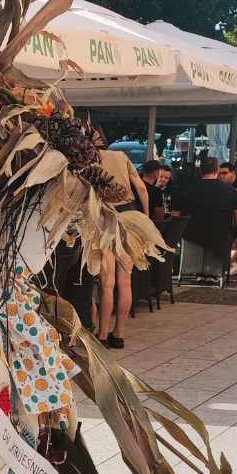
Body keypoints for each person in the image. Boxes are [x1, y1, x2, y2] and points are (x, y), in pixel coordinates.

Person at [89, 127, 150, 350]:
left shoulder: (88, 160)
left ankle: (102, 334)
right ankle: (119, 334)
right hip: (130, 216)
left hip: (104, 218)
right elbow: (141, 188)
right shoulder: (121, 156)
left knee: (107, 283)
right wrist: (145, 217)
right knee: (126, 283)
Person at [182, 156, 237, 274]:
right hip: (220, 237)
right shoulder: (229, 190)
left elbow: (177, 214)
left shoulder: (188, 189)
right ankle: (223, 265)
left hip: (191, 236)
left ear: (200, 170)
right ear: (216, 170)